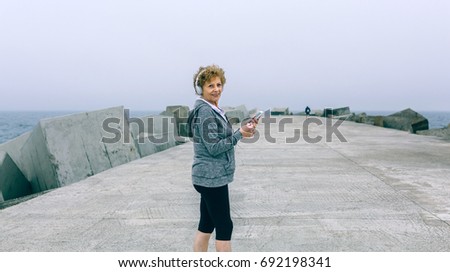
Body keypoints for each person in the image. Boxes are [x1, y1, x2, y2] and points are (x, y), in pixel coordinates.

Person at [188, 65, 256, 252]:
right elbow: (214, 147)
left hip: (209, 176)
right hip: (211, 177)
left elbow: (218, 139)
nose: (216, 89)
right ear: (201, 89)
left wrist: (242, 131)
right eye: (210, 86)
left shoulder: (211, 109)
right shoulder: (205, 112)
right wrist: (239, 134)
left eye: (219, 84)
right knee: (225, 227)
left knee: (206, 224)